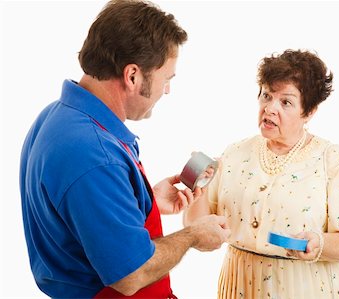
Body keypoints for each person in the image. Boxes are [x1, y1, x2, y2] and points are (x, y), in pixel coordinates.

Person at [19, 1, 230, 298]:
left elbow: (85, 217)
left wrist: (146, 203)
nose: (166, 90)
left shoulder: (58, 116)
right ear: (133, 76)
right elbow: (130, 275)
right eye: (165, 79)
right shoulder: (94, 154)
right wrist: (193, 235)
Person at [184, 49, 339, 299]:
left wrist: (320, 243)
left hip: (305, 288)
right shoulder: (234, 154)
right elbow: (196, 231)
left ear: (310, 111)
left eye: (286, 102)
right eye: (266, 96)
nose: (270, 109)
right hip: (237, 286)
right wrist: (200, 186)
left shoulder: (338, 162)